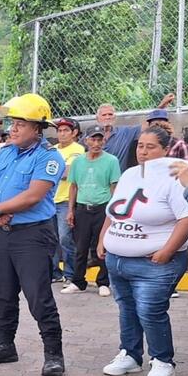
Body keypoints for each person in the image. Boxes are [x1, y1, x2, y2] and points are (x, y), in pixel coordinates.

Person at [0, 93, 66, 376]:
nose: (13, 129)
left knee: (38, 297)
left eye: (20, 124)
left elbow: (33, 196)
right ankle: (4, 345)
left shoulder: (48, 157)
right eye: (12, 123)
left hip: (33, 235)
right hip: (3, 232)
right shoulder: (4, 152)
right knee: (2, 293)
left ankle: (53, 354)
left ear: (37, 128)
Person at [99, 127, 188, 376]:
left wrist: (166, 251)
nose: (143, 151)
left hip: (155, 262)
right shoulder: (130, 174)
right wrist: (103, 238)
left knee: (150, 311)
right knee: (127, 309)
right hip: (118, 258)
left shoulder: (177, 175)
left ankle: (163, 360)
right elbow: (115, 210)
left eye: (150, 146)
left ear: (166, 149)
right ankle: (130, 354)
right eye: (140, 146)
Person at [61, 125, 120, 296]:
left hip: (102, 208)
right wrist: (70, 210)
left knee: (102, 246)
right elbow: (73, 187)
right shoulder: (78, 162)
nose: (96, 143)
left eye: (99, 139)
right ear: (85, 141)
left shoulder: (111, 161)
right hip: (82, 208)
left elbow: (113, 186)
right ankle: (78, 281)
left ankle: (103, 282)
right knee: (80, 246)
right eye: (93, 139)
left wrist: (113, 212)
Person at [94, 94, 172, 171]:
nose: (107, 117)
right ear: (97, 118)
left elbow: (147, 125)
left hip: (118, 179)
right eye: (104, 115)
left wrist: (161, 106)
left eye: (110, 114)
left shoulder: (124, 133)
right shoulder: (90, 135)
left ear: (114, 117)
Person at [51, 118, 84, 284]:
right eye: (60, 130)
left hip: (66, 200)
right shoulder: (52, 149)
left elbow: (69, 174)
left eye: (66, 130)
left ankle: (70, 273)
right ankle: (55, 273)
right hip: (49, 200)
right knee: (51, 239)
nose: (62, 133)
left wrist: (52, 171)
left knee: (65, 238)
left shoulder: (78, 150)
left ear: (74, 133)